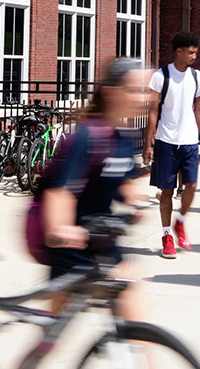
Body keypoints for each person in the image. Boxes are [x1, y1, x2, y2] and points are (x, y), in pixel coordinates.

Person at [36, 58, 146, 316]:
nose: (143, 98)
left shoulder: (124, 136)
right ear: (110, 92)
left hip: (100, 239)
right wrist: (62, 230)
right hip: (71, 246)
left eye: (145, 90)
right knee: (53, 328)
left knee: (130, 305)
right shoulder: (86, 136)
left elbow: (124, 181)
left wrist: (136, 204)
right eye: (133, 89)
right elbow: (60, 193)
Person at [143, 31, 200, 259]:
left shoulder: (198, 77)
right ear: (178, 51)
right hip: (166, 141)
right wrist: (147, 143)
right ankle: (166, 236)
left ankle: (180, 221)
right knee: (167, 192)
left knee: (191, 185)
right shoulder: (161, 76)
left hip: (190, 141)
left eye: (195, 52)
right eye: (190, 52)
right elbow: (153, 111)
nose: (194, 56)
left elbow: (199, 110)